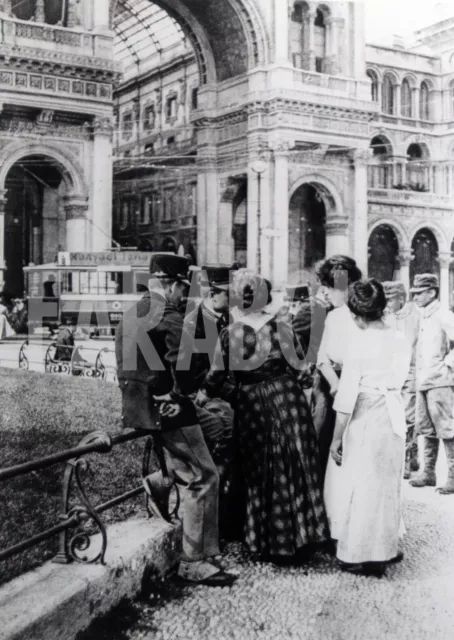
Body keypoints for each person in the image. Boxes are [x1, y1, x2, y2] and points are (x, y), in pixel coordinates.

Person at [115, 253, 236, 587]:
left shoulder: (133, 311)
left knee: (217, 430)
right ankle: (194, 561)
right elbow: (183, 363)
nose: (185, 295)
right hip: (168, 410)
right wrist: (179, 395)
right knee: (204, 475)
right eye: (183, 288)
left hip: (142, 407)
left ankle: (161, 484)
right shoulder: (167, 314)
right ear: (169, 284)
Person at [199, 269, 329, 563]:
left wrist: (204, 396)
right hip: (289, 400)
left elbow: (216, 378)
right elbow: (302, 371)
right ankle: (302, 539)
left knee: (263, 470)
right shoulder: (281, 327)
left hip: (254, 404)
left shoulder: (230, 333)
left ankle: (270, 542)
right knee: (295, 466)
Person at [329, 279, 411, 576]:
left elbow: (347, 397)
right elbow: (401, 378)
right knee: (387, 486)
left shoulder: (359, 344)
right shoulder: (398, 337)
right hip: (393, 415)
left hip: (366, 414)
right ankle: (384, 549)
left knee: (362, 485)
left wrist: (336, 439)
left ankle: (359, 553)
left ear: (356, 313)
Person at [315, 255, 363, 476]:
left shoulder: (364, 317)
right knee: (324, 439)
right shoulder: (332, 316)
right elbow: (322, 357)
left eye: (329, 287)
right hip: (331, 387)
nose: (324, 292)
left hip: (360, 388)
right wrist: (335, 384)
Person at [408, 274, 454, 494]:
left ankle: (453, 477)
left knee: (447, 428)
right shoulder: (424, 316)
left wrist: (447, 364)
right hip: (423, 381)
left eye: (419, 293)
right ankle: (428, 473)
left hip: (440, 382)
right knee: (426, 428)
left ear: (432, 292)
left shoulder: (444, 315)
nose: (415, 297)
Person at [382, 281, 420, 479]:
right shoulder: (385, 316)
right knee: (392, 415)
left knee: (408, 417)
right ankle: (408, 453)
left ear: (402, 298)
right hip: (391, 372)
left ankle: (406, 458)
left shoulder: (416, 314)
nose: (387, 304)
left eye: (390, 300)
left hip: (412, 372)